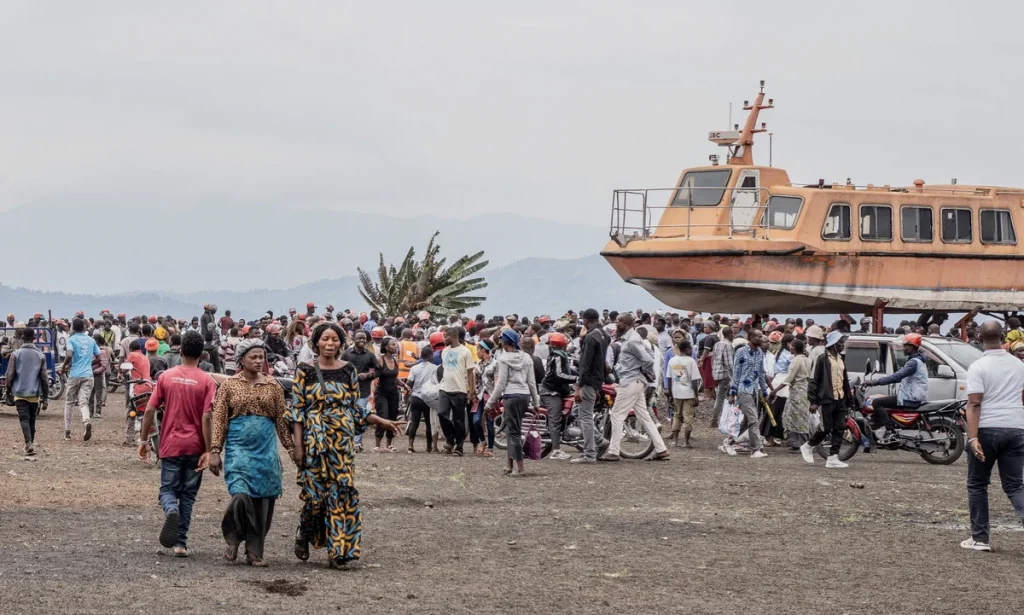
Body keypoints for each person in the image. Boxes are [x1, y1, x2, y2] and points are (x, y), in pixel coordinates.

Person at [288, 322, 403, 569]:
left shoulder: (348, 369)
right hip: (314, 442)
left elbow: (354, 408)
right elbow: (297, 411)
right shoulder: (305, 370)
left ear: (341, 343)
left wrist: (380, 419)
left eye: (335, 340)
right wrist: (298, 447)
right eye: (325, 339)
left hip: (341, 442)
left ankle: (338, 551)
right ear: (316, 342)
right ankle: (304, 531)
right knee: (315, 497)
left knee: (341, 494)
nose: (330, 344)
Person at [208, 339, 292, 567]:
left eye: (261, 357)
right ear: (241, 360)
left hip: (265, 451)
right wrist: (215, 451)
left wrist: (292, 451)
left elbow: (282, 423)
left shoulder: (274, 386)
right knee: (240, 494)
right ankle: (233, 537)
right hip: (238, 449)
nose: (258, 361)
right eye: (253, 357)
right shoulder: (229, 386)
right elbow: (219, 420)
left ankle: (254, 552)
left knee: (263, 502)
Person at [137, 331, 217, 557]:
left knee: (167, 490)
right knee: (189, 496)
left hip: (170, 444)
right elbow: (207, 416)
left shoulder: (166, 377)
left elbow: (151, 409)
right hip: (196, 447)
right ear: (202, 355)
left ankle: (171, 509)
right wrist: (209, 450)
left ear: (180, 351)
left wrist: (144, 440)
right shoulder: (206, 380)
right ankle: (180, 544)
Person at [961, 321, 1024, 551]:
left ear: (978, 338)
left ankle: (980, 538)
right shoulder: (1019, 365)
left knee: (977, 484)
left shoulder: (978, 366)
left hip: (987, 429)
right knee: (1016, 486)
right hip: (1016, 428)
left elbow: (975, 403)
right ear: (1004, 337)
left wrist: (973, 437)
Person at [599, 313, 670, 462]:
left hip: (631, 381)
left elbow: (648, 360)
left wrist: (641, 369)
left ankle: (613, 451)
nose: (616, 325)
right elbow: (649, 353)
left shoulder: (631, 340)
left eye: (618, 322)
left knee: (617, 415)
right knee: (644, 416)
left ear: (625, 324)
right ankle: (661, 449)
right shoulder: (633, 338)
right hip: (636, 382)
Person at [485, 329, 541, 476]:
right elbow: (532, 382)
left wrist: (489, 403)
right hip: (524, 396)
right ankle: (509, 465)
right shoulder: (527, 357)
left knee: (513, 432)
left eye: (502, 339)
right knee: (512, 429)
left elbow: (501, 384)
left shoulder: (503, 359)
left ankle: (520, 467)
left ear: (506, 342)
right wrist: (536, 403)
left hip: (511, 396)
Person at [801, 331, 855, 469]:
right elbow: (813, 380)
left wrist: (849, 399)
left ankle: (833, 457)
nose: (842, 345)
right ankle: (808, 445)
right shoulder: (821, 359)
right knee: (826, 427)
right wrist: (813, 401)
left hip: (840, 398)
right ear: (833, 344)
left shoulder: (841, 359)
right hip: (826, 398)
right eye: (840, 343)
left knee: (840, 428)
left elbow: (844, 381)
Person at [864, 333, 928, 441]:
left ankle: (890, 431)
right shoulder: (918, 359)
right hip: (912, 395)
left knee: (876, 402)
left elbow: (897, 377)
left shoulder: (913, 362)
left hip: (910, 397)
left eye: (905, 346)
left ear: (911, 347)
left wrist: (874, 382)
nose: (903, 348)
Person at [570, 309, 610, 464]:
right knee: (578, 412)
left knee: (585, 417)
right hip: (598, 379)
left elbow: (585, 364)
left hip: (588, 381)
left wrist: (579, 387)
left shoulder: (590, 337)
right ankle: (599, 440)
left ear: (585, 321)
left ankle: (589, 454)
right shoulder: (603, 335)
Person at [4, 327, 49, 458]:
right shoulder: (40, 356)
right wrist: (45, 398)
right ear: (34, 339)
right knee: (32, 419)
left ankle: (28, 442)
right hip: (34, 393)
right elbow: (44, 378)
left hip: (19, 392)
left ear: (22, 338)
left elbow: (10, 375)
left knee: (24, 418)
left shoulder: (15, 354)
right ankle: (31, 443)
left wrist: (8, 391)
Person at [725, 329, 769, 458]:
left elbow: (761, 373)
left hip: (754, 390)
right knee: (754, 420)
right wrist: (732, 393)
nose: (761, 339)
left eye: (761, 336)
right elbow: (736, 373)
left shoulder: (760, 353)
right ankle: (756, 449)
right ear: (750, 337)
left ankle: (729, 442)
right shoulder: (741, 352)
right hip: (743, 389)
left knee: (746, 421)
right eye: (758, 337)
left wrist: (764, 391)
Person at [60, 318, 100, 442]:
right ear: (84, 327)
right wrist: (89, 362)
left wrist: (64, 366)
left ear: (72, 328)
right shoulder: (91, 340)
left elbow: (69, 354)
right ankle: (86, 421)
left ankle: (67, 431)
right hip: (88, 375)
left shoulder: (71, 339)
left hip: (74, 374)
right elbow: (99, 357)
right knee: (83, 402)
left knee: (69, 403)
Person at [438, 326, 476, 456]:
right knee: (442, 413)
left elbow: (470, 373)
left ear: (453, 336)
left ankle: (459, 446)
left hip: (460, 389)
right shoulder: (444, 351)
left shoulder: (465, 352)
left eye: (446, 336)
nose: (444, 339)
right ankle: (450, 438)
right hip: (444, 388)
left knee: (458, 420)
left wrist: (471, 391)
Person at [341, 330, 378, 454]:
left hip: (363, 390)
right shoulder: (346, 354)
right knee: (348, 415)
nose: (362, 341)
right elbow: (339, 368)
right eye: (359, 338)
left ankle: (357, 442)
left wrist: (368, 375)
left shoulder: (370, 355)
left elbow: (378, 371)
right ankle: (349, 440)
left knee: (359, 414)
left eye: (364, 339)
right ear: (354, 339)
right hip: (347, 390)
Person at [540, 332, 576, 460]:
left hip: (558, 390)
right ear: (563, 345)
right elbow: (559, 375)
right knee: (555, 419)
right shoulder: (558, 356)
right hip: (551, 392)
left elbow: (567, 370)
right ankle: (555, 450)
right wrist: (576, 379)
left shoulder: (559, 355)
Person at [773, 338, 812, 449]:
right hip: (805, 390)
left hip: (797, 392)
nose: (789, 347)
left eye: (791, 346)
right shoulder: (807, 360)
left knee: (792, 417)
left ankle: (798, 443)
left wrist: (775, 390)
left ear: (794, 348)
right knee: (802, 416)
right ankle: (801, 443)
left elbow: (789, 378)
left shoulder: (796, 361)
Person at [666, 340, 700, 448]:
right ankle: (686, 441)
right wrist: (696, 395)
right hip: (688, 393)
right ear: (687, 349)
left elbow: (669, 378)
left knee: (677, 415)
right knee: (688, 416)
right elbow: (694, 380)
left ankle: (675, 440)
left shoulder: (672, 361)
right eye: (691, 349)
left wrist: (671, 394)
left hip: (676, 393)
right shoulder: (691, 361)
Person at [373, 337, 402, 452]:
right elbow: (374, 375)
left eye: (395, 344)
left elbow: (395, 378)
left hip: (393, 393)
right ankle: (377, 444)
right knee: (382, 416)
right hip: (382, 393)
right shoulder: (380, 360)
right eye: (392, 345)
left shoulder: (395, 361)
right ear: (386, 347)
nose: (395, 346)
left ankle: (389, 444)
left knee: (392, 417)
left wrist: (404, 385)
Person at [405, 346, 436, 453]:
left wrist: (409, 391)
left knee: (414, 422)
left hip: (416, 397)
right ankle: (429, 447)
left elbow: (409, 382)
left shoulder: (414, 368)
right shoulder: (434, 368)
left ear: (421, 356)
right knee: (429, 423)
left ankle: (410, 445)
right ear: (431, 356)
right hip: (428, 398)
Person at [123, 339, 151, 446]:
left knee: (131, 412)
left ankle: (129, 439)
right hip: (148, 386)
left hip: (138, 387)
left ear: (130, 349)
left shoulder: (132, 355)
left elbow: (125, 369)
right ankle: (145, 437)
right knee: (144, 413)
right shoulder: (145, 357)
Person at [472, 339, 497, 457]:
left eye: (478, 350)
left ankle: (490, 448)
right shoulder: (478, 364)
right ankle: (483, 441)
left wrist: (496, 397)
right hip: (479, 396)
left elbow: (497, 381)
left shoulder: (495, 364)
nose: (476, 352)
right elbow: (476, 380)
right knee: (476, 420)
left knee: (490, 423)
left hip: (490, 396)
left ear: (483, 350)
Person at [710, 325, 735, 427]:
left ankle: (724, 419)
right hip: (725, 374)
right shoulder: (728, 345)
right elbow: (729, 364)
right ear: (730, 335)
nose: (734, 335)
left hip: (717, 373)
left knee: (723, 397)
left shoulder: (717, 344)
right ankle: (714, 420)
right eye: (733, 334)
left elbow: (713, 359)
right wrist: (734, 377)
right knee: (720, 398)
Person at [88, 333, 111, 419]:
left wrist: (95, 371)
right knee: (90, 394)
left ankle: (98, 412)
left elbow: (104, 365)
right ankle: (90, 411)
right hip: (91, 374)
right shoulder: (92, 350)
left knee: (98, 394)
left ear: (96, 341)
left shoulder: (101, 351)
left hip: (98, 375)